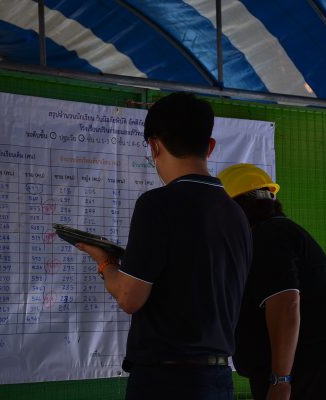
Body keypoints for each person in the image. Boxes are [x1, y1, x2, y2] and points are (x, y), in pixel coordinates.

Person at [76, 93, 252, 400]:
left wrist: (106, 263)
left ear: (154, 146)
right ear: (210, 146)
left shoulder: (157, 204)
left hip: (168, 380)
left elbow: (130, 297)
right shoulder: (237, 213)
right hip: (219, 377)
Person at [218, 163, 326, 400]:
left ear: (236, 210)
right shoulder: (277, 234)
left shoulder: (269, 236)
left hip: (309, 377)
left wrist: (280, 380)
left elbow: (286, 304)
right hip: (312, 372)